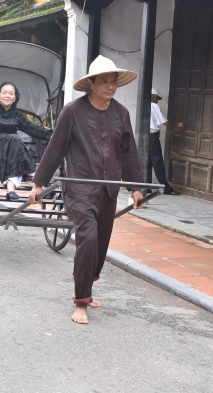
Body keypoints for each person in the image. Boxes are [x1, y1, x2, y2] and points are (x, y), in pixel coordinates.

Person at [28, 56, 144, 325]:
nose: (110, 86)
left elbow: (128, 154)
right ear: (91, 84)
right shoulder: (73, 111)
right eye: (104, 81)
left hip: (110, 189)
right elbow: (56, 148)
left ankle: (86, 286)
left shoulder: (121, 114)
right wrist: (39, 183)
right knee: (88, 238)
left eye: (113, 81)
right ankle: (81, 300)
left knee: (100, 244)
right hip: (79, 187)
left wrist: (136, 188)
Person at [0, 82, 52, 201]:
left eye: (11, 93)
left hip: (11, 146)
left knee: (13, 145)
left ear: (15, 98)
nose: (7, 95)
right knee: (14, 139)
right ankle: (31, 173)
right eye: (4, 93)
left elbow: (31, 128)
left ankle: (11, 190)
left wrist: (50, 136)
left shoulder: (17, 114)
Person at [150, 88, 184, 195]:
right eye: (157, 98)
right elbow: (164, 122)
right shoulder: (153, 106)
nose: (157, 100)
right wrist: (177, 125)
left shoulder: (143, 104)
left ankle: (145, 187)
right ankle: (166, 188)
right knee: (158, 163)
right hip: (152, 137)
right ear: (154, 97)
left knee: (147, 163)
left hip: (144, 137)